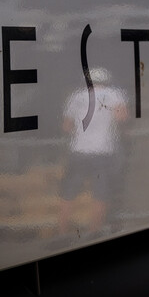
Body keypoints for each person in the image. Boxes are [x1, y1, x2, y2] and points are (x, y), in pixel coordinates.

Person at [58, 68, 128, 234]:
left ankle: (62, 231)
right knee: (100, 193)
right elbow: (122, 118)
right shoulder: (115, 94)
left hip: (78, 151)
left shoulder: (75, 97)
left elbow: (66, 127)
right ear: (107, 80)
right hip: (102, 153)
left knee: (68, 193)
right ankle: (94, 232)